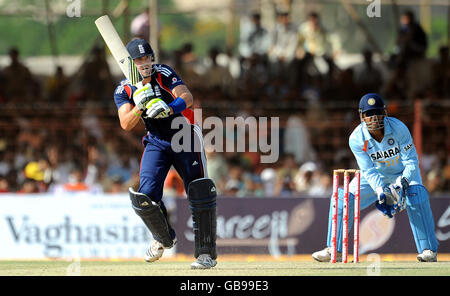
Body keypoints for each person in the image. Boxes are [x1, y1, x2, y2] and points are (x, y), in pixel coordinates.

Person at [113, 39, 217, 269]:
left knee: (199, 189)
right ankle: (163, 238)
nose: (145, 63)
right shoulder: (124, 89)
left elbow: (187, 98)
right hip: (157, 141)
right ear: (130, 63)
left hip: (185, 135)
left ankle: (205, 254)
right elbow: (125, 123)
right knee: (145, 196)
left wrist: (169, 108)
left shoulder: (164, 72)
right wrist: (139, 106)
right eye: (139, 60)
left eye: (148, 57)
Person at [312, 93, 439, 262]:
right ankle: (335, 249)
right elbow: (369, 171)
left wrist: (402, 183)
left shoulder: (399, 128)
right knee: (342, 198)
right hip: (375, 176)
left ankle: (428, 250)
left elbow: (411, 161)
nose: (373, 118)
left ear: (384, 113)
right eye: (369, 114)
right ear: (361, 116)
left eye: (377, 112)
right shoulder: (356, 139)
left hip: (402, 174)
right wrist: (381, 191)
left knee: (416, 194)